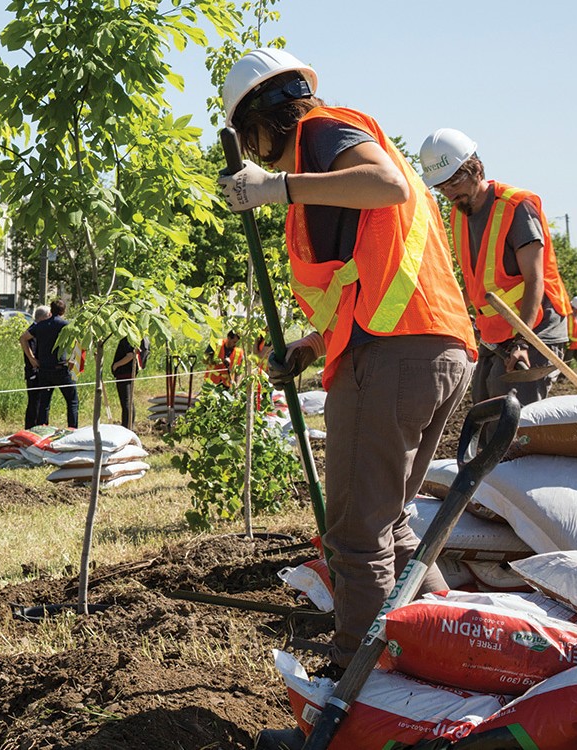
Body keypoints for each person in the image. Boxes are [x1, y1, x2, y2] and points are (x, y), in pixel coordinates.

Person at [217, 48, 475, 676]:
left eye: (250, 140)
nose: (252, 156)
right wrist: (311, 343)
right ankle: (452, 641)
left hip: (394, 358)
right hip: (432, 347)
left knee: (357, 538)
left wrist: (278, 187)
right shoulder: (324, 164)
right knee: (392, 523)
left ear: (263, 119)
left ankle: (360, 686)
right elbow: (363, 277)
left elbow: (385, 184)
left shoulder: (321, 132)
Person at [420, 129, 571, 406]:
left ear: (476, 169)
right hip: (496, 332)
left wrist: (524, 342)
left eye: (454, 182)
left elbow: (534, 279)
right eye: (441, 187)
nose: (449, 193)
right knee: (484, 412)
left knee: (514, 422)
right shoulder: (458, 214)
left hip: (534, 327)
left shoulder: (517, 207)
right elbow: (476, 286)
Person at [21, 300, 79, 429]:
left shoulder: (40, 325)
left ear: (51, 311)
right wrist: (73, 359)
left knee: (44, 403)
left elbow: (23, 338)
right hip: (61, 369)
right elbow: (78, 340)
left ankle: (42, 429)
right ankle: (72, 429)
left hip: (44, 370)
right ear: (63, 311)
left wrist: (32, 358)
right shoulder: (65, 325)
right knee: (72, 401)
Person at [22, 306, 51, 429]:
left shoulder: (40, 329)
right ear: (44, 317)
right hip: (34, 371)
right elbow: (31, 348)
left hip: (39, 371)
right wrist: (33, 360)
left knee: (40, 401)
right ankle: (31, 428)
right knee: (35, 402)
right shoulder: (34, 330)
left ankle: (39, 426)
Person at [110, 336, 149, 427]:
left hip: (124, 373)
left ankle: (127, 427)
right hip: (128, 373)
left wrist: (116, 365)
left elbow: (130, 355)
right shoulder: (134, 337)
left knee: (126, 402)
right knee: (129, 401)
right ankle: (129, 425)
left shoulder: (129, 338)